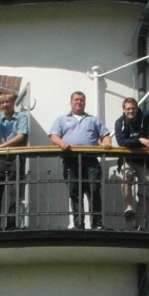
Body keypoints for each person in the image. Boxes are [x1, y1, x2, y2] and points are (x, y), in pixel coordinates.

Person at [49, 91, 109, 228]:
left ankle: (97, 223)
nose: (79, 102)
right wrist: (61, 143)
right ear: (71, 102)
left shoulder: (93, 119)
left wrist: (107, 142)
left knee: (93, 190)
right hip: (71, 159)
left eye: (82, 100)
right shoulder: (62, 119)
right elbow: (54, 136)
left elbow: (105, 135)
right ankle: (78, 224)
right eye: (76, 100)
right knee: (75, 192)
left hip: (90, 159)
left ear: (85, 102)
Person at [110, 94, 149, 224]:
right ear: (123, 110)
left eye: (133, 108)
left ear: (137, 109)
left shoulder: (144, 116)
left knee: (144, 194)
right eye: (128, 109)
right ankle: (129, 207)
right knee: (127, 178)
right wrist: (140, 140)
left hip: (145, 161)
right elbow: (122, 142)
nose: (131, 111)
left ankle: (141, 223)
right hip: (128, 159)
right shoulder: (120, 122)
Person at [0, 90, 33, 229]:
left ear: (13, 103)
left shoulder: (21, 117)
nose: (5, 105)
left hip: (15, 157)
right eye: (2, 102)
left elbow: (21, 136)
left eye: (7, 102)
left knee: (14, 193)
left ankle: (11, 224)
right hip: (0, 159)